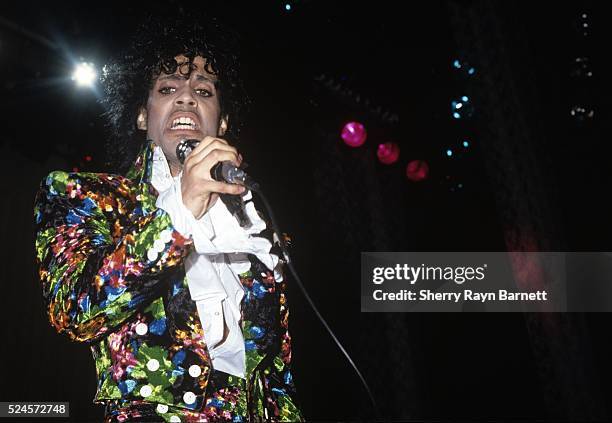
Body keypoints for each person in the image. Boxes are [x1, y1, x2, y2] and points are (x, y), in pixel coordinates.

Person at [34, 14, 304, 422]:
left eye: (203, 90)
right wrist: (181, 209)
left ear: (222, 121)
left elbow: (277, 376)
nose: (186, 98)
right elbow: (74, 310)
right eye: (167, 88)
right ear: (143, 115)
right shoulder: (85, 196)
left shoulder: (257, 225)